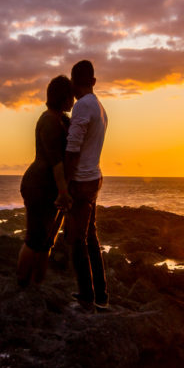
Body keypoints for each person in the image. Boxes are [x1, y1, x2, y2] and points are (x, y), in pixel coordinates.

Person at [17, 75, 75, 287]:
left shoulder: (62, 119)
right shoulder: (49, 121)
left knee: (47, 242)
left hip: (50, 188)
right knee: (34, 240)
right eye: (71, 96)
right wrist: (63, 193)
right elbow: (56, 163)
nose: (74, 101)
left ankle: (36, 286)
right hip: (38, 186)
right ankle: (22, 284)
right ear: (63, 97)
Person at [64, 59, 108, 310]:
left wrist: (64, 186)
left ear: (72, 82)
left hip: (81, 181)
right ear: (92, 81)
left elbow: (72, 150)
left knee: (76, 239)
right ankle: (100, 294)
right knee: (90, 238)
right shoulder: (100, 107)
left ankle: (87, 296)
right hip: (94, 177)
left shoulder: (82, 107)